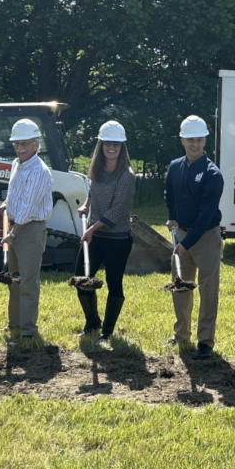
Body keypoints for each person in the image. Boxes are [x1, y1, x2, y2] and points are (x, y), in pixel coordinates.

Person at [163, 115, 224, 359]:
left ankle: (205, 341)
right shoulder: (175, 166)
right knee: (180, 287)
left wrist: (184, 245)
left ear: (205, 141)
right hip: (182, 234)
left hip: (206, 236)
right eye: (190, 140)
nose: (195, 144)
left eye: (199, 140)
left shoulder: (213, 174)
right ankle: (181, 335)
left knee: (207, 289)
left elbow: (205, 215)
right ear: (182, 140)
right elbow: (169, 193)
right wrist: (172, 216)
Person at [76, 120, 136, 340]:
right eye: (107, 143)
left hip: (117, 239)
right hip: (95, 235)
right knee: (82, 279)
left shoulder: (127, 176)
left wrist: (92, 228)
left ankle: (107, 331)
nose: (112, 148)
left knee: (114, 283)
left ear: (122, 147)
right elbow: (93, 191)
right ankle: (92, 322)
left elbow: (118, 210)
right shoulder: (98, 170)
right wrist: (86, 204)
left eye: (116, 144)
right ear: (101, 145)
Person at [1, 118, 53, 340]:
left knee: (27, 283)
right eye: (16, 144)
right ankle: (14, 324)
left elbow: (28, 206)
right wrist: (7, 204)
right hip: (15, 227)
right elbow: (16, 194)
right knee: (14, 280)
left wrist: (12, 234)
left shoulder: (40, 171)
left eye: (25, 143)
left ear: (36, 145)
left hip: (30, 230)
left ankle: (28, 331)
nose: (20, 148)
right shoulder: (16, 164)